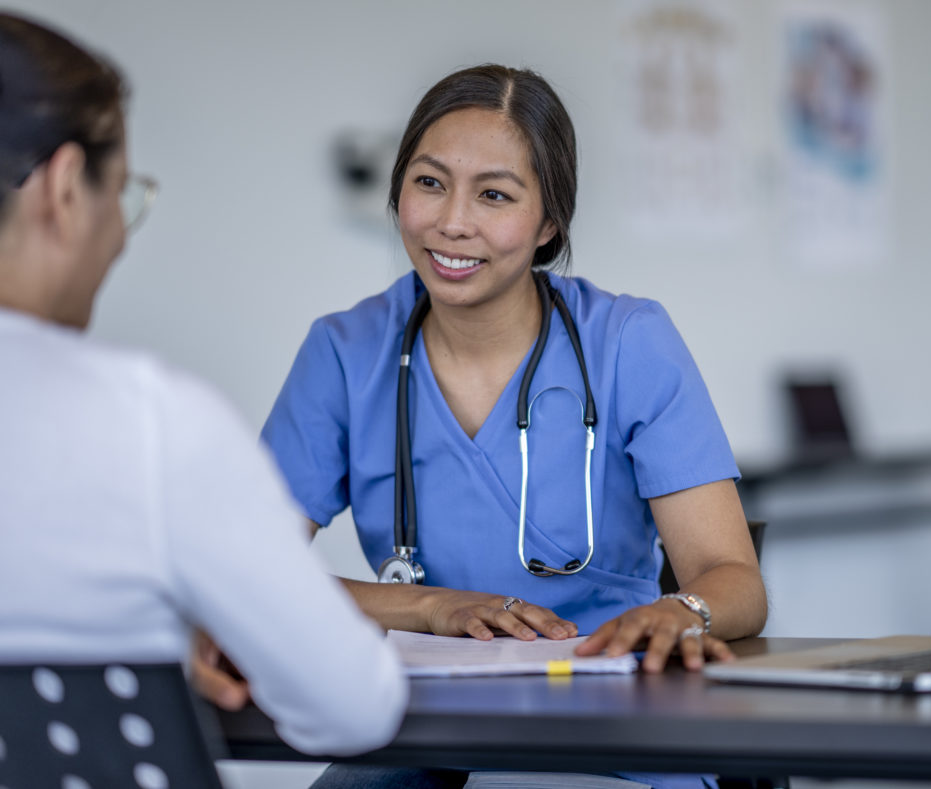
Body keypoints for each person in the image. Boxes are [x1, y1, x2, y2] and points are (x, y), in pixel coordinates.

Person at [262, 64, 768, 788]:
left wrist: (680, 610)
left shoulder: (628, 341)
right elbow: (253, 575)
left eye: (494, 194)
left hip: (610, 718)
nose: (452, 221)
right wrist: (431, 606)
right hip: (422, 725)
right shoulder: (345, 353)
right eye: (430, 182)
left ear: (548, 223)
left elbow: (738, 584)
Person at [0, 11, 407, 757]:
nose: (121, 235)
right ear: (62, 190)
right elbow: (356, 707)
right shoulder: (153, 423)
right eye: (121, 195)